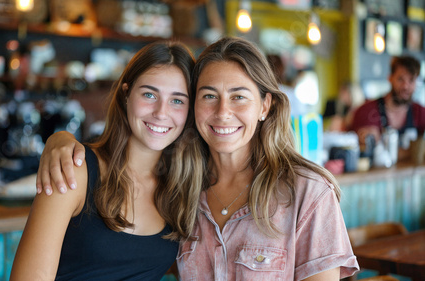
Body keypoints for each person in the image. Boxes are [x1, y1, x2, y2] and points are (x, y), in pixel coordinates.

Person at [38, 37, 359, 280]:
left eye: (239, 97)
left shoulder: (308, 193)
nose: (222, 112)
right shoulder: (183, 190)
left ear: (265, 106)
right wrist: (59, 139)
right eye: (209, 96)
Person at [10, 41, 204, 280]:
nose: (161, 112)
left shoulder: (182, 190)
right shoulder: (75, 170)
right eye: (149, 94)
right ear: (125, 94)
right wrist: (58, 138)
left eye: (177, 100)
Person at [347, 55, 425, 147]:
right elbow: (352, 146)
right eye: (400, 79)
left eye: (411, 80)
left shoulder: (420, 113)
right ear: (390, 78)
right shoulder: (366, 111)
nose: (405, 86)